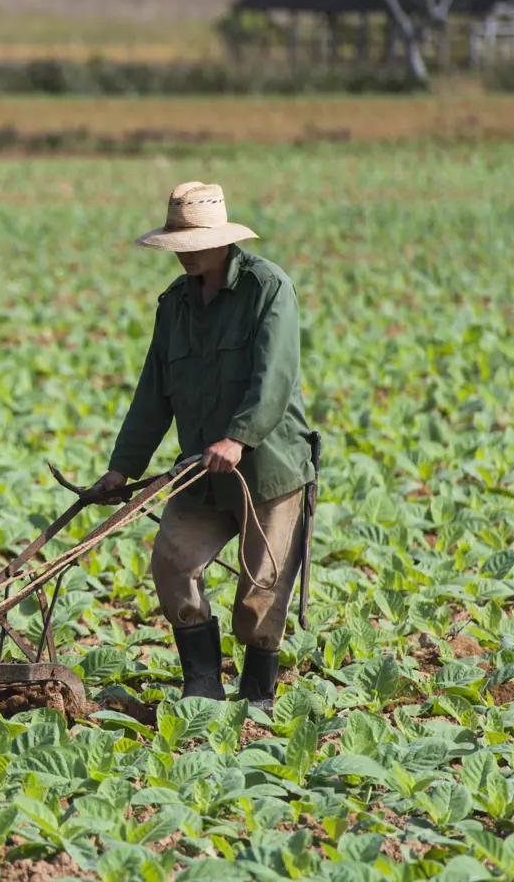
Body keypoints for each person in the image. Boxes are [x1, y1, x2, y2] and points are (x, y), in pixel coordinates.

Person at [92, 181, 316, 707]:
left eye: (193, 246)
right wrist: (122, 469)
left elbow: (275, 377)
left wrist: (238, 438)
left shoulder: (268, 288)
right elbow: (153, 392)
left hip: (270, 469)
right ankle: (202, 682)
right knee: (173, 561)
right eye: (179, 248)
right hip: (200, 469)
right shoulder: (174, 305)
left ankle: (258, 694)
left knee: (261, 590)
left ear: (220, 239)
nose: (185, 257)